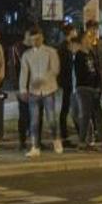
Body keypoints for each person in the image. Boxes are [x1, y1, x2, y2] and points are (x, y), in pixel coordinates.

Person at [19, 26, 62, 158]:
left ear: (42, 38)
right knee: (34, 120)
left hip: (49, 89)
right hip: (33, 92)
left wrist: (42, 80)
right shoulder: (27, 55)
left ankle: (56, 139)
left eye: (37, 39)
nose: (35, 42)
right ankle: (35, 146)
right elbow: (24, 73)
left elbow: (55, 69)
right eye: (33, 40)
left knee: (51, 118)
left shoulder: (51, 52)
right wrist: (23, 89)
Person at [84, 20, 102, 146]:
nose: (94, 31)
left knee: (98, 109)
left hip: (99, 80)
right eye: (92, 29)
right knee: (89, 109)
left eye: (96, 29)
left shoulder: (101, 44)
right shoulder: (84, 43)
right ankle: (90, 136)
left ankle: (100, 134)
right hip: (88, 80)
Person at [72, 35, 101, 151]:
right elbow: (80, 74)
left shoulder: (91, 54)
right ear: (82, 42)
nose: (91, 41)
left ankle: (90, 139)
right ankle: (82, 141)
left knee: (92, 115)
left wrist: (97, 85)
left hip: (93, 88)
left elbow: (95, 70)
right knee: (84, 115)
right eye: (88, 39)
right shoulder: (79, 55)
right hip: (83, 88)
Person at [56, 24, 78, 148]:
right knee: (66, 109)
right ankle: (65, 137)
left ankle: (67, 135)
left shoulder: (65, 46)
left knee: (68, 108)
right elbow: (65, 66)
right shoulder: (65, 47)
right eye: (74, 31)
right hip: (68, 82)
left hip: (69, 81)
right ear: (71, 32)